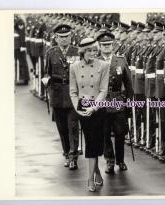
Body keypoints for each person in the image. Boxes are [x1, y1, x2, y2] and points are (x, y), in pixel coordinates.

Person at [69, 37, 110, 192]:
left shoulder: (104, 65)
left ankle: (91, 177)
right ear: (83, 52)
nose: (93, 53)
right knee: (90, 141)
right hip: (82, 108)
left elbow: (103, 90)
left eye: (95, 50)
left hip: (98, 108)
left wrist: (95, 107)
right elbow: (73, 91)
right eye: (90, 50)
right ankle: (94, 175)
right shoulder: (74, 67)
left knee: (94, 143)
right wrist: (77, 108)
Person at [43, 24, 80, 170]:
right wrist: (46, 80)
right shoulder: (51, 53)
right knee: (62, 127)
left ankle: (73, 157)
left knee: (73, 127)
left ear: (71, 37)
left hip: (73, 94)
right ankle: (66, 152)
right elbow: (47, 72)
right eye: (61, 37)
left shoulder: (77, 52)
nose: (64, 40)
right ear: (56, 38)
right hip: (57, 94)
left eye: (67, 36)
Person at [96, 32, 133, 174]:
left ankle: (121, 160)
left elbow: (128, 85)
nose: (106, 47)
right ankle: (109, 160)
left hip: (118, 101)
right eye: (104, 45)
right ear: (99, 47)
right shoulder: (95, 61)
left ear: (113, 45)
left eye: (109, 45)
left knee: (120, 132)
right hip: (102, 101)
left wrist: (129, 103)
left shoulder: (121, 61)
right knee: (105, 133)